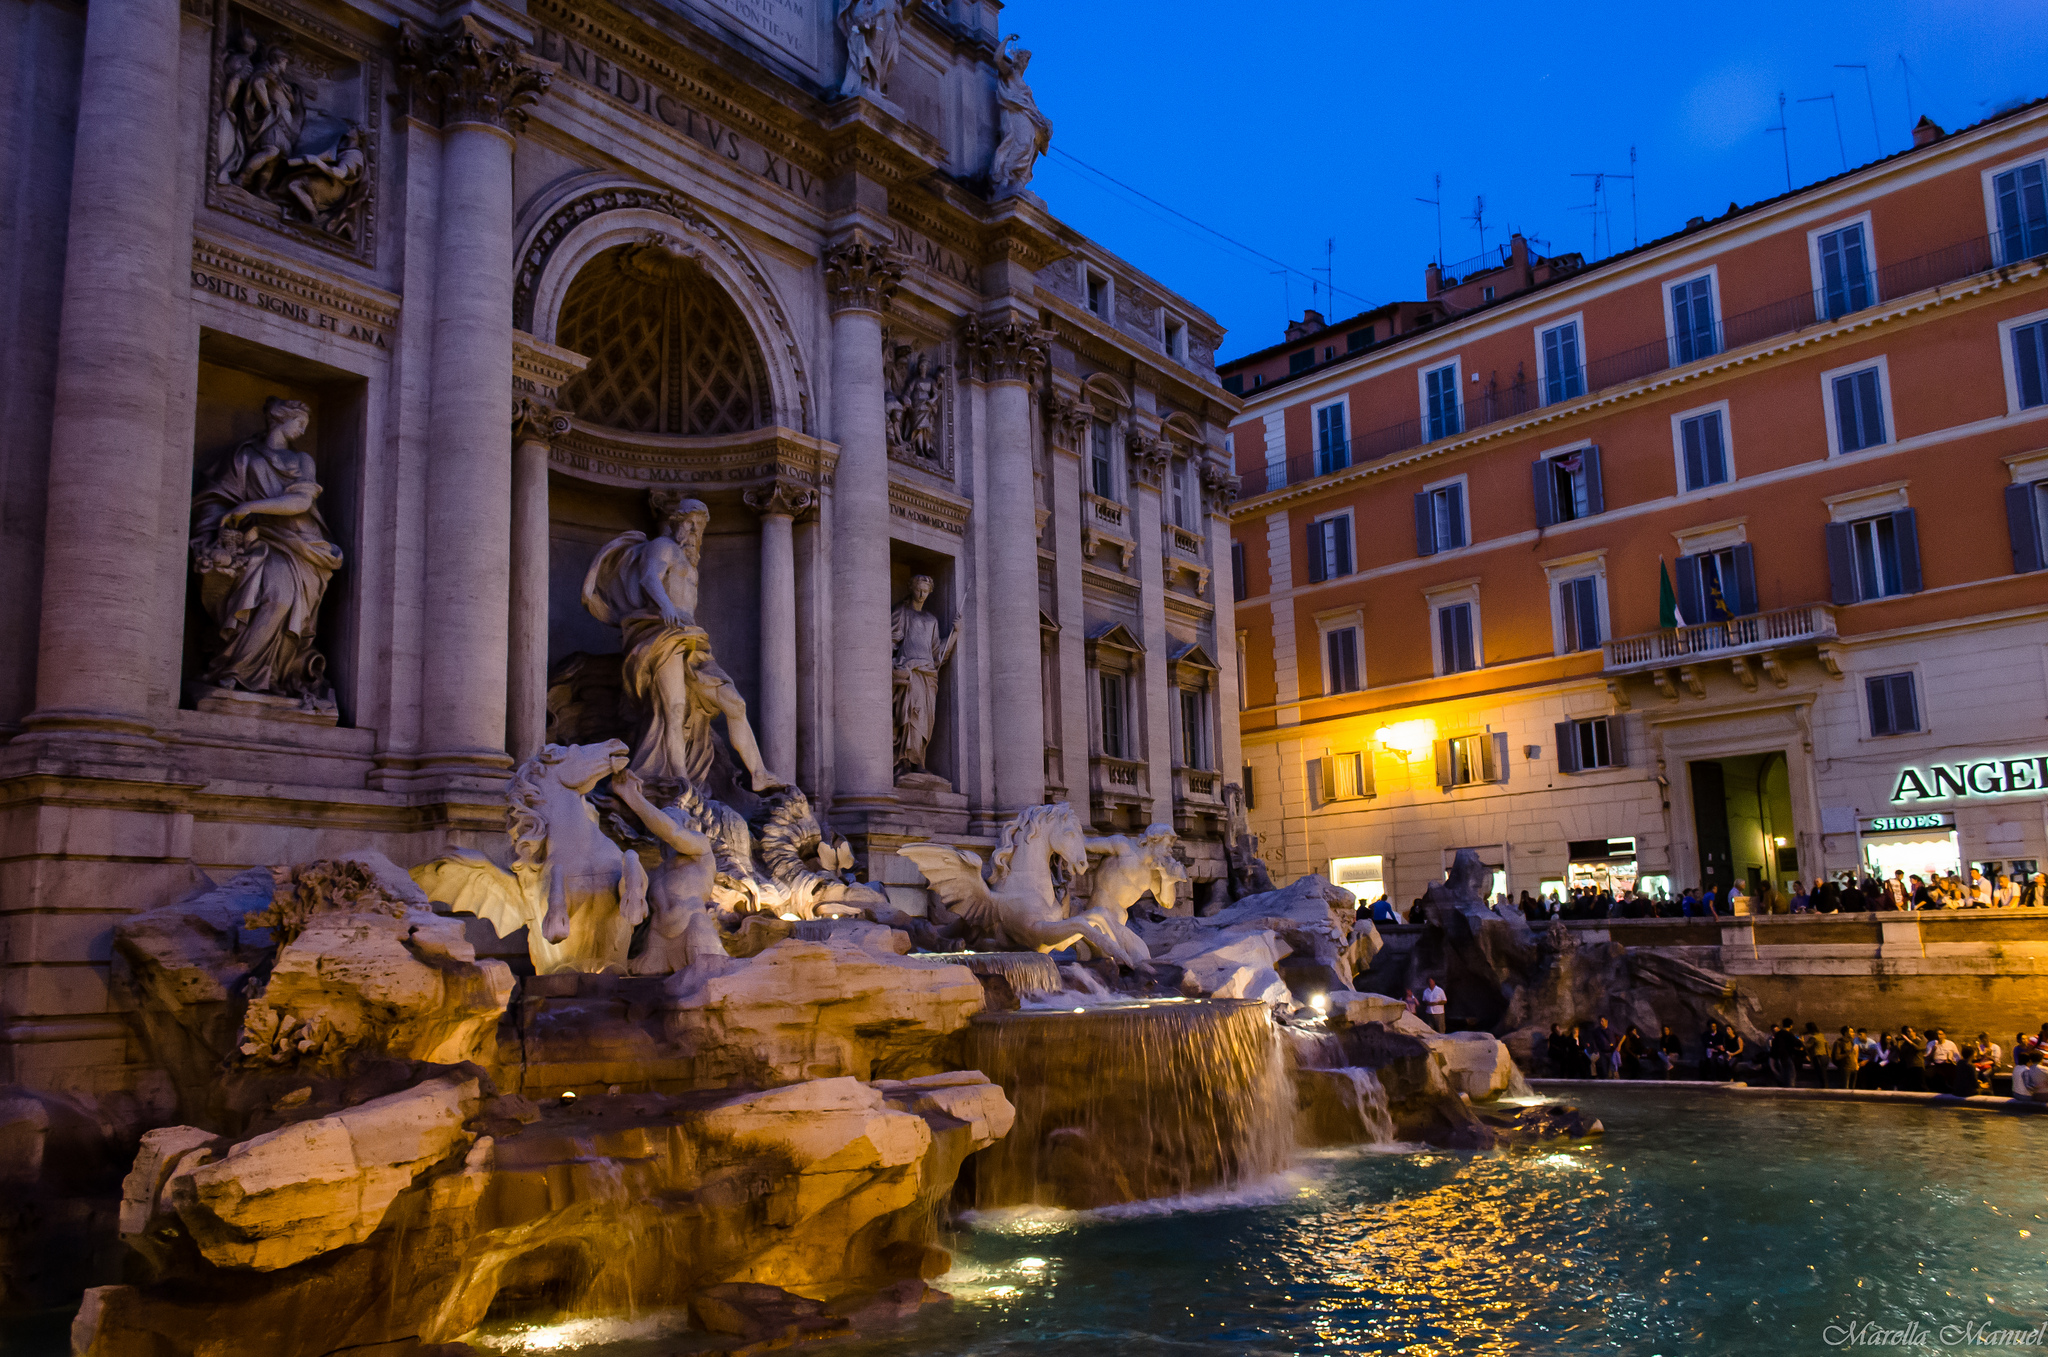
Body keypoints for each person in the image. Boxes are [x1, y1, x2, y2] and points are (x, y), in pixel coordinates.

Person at [583, 494, 787, 792]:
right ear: (675, 523)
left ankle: (759, 774)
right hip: (661, 634)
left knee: (735, 703)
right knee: (674, 708)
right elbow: (649, 578)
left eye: (698, 527)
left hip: (692, 640)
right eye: (688, 524)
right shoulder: (662, 546)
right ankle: (679, 781)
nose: (693, 532)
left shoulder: (690, 563)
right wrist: (665, 605)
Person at [1767, 1019, 1800, 1088]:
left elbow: (1774, 1048)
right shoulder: (1788, 1034)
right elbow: (1798, 1044)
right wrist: (1800, 1041)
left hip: (1779, 1057)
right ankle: (1790, 1088)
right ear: (1791, 1026)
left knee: (1785, 1073)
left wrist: (1772, 1060)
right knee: (1791, 1074)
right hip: (1787, 1056)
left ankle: (1785, 1087)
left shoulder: (1778, 1035)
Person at [1802, 1022, 1830, 1086]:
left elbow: (1807, 1046)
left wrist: (1802, 1041)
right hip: (1825, 1056)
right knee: (1824, 1073)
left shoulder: (1813, 1038)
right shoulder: (1821, 1035)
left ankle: (1824, 1087)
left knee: (1821, 1074)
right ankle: (1825, 1086)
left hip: (1818, 1057)